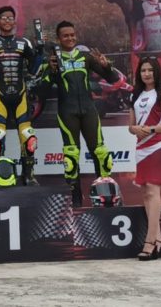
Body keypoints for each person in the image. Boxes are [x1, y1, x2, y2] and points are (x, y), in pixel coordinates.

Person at [41, 21, 119, 206]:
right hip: (67, 112)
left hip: (89, 110)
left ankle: (105, 196)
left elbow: (113, 79)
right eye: (65, 36)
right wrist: (50, 70)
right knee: (71, 155)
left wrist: (106, 66)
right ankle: (75, 198)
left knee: (100, 152)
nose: (70, 38)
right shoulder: (53, 60)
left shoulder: (85, 57)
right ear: (58, 39)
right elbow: (42, 90)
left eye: (72, 35)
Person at [129, 56, 161, 261]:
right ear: (139, 73)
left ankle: (150, 242)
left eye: (150, 70)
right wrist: (135, 129)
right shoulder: (134, 95)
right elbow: (131, 125)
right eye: (143, 70)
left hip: (159, 146)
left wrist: (151, 129)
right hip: (141, 147)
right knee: (146, 193)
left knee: (152, 190)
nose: (147, 74)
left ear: (156, 72)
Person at [0, 6, 43, 186]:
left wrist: (40, 51)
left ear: (14, 21)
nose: (7, 21)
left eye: (10, 18)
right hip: (0, 96)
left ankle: (28, 175)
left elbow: (33, 70)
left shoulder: (24, 43)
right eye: (4, 18)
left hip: (20, 96)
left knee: (28, 138)